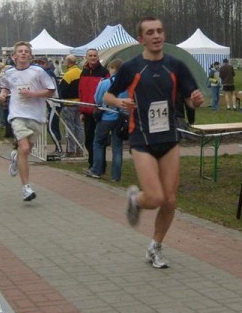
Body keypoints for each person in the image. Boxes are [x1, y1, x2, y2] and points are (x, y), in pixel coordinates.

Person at [105, 17, 204, 269]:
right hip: (141, 137)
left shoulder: (176, 65)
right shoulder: (132, 67)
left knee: (170, 200)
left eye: (159, 31)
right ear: (141, 39)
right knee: (156, 197)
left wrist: (195, 100)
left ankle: (155, 247)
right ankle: (135, 200)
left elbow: (190, 100)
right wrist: (119, 102)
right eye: (150, 32)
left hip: (169, 137)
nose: (156, 36)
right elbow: (108, 95)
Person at [0, 41, 56, 202]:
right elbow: (5, 86)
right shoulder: (8, 72)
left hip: (36, 115)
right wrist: (3, 93)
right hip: (17, 114)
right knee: (24, 148)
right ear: (14, 56)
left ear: (30, 55)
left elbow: (51, 91)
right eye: (20, 51)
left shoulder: (38, 72)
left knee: (26, 151)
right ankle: (26, 188)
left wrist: (33, 94)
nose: (23, 53)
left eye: (26, 51)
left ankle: (16, 158)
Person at [87, 58, 126, 182]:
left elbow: (98, 99)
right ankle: (116, 176)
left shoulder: (105, 83)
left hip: (106, 117)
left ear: (113, 69)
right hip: (121, 118)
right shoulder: (127, 84)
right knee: (117, 147)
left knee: (98, 143)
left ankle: (96, 170)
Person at [78, 49, 109, 171]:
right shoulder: (84, 72)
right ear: (86, 57)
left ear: (98, 57)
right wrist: (81, 111)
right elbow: (81, 92)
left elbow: (108, 91)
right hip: (87, 111)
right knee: (89, 140)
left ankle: (100, 165)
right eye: (90, 55)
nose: (92, 57)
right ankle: (92, 163)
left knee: (100, 141)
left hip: (99, 111)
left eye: (94, 55)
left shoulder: (104, 72)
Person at [58, 54, 83, 156]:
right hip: (80, 103)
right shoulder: (81, 72)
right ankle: (80, 148)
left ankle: (70, 150)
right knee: (79, 127)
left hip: (69, 103)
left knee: (69, 127)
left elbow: (62, 90)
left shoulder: (68, 75)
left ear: (68, 63)